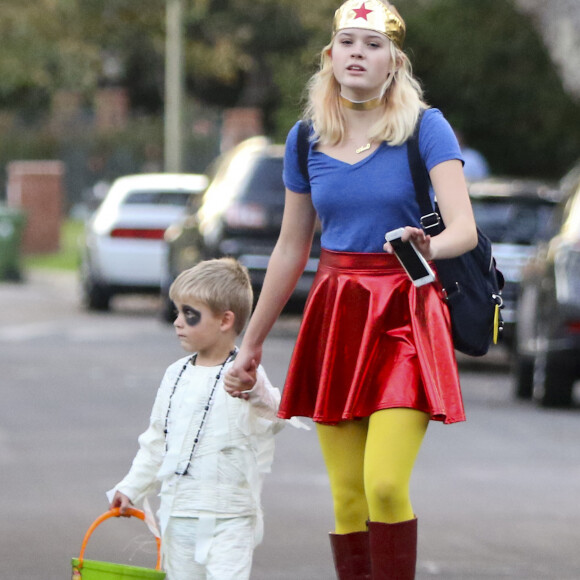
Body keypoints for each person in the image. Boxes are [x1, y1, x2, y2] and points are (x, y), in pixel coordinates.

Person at [225, 1, 478, 578]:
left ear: (394, 61)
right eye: (347, 43)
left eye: (372, 44)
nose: (357, 54)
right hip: (337, 308)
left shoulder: (424, 127)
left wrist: (425, 248)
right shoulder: (306, 137)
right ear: (330, 57)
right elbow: (292, 248)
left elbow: (462, 228)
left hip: (404, 308)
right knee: (346, 499)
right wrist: (251, 344)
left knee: (385, 485)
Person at [107, 258, 290, 580]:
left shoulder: (245, 373)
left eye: (189, 314)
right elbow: (156, 441)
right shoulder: (175, 375)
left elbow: (276, 415)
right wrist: (131, 487)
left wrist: (253, 390)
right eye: (177, 311)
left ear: (224, 320)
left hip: (231, 516)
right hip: (178, 514)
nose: (178, 322)